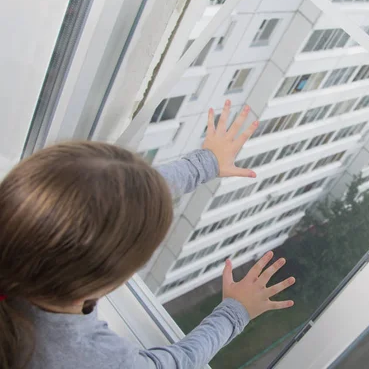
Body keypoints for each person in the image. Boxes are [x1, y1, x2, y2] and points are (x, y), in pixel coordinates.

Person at [0, 100, 296, 369]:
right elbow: (175, 364)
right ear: (109, 277)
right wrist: (235, 313)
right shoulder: (87, 359)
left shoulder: (18, 225)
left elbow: (103, 204)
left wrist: (206, 164)